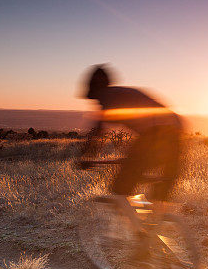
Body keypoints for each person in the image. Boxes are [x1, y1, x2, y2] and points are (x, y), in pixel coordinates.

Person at [78, 65, 183, 205]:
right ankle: (153, 219)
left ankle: (143, 220)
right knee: (158, 193)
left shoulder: (107, 96)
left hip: (158, 133)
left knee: (122, 186)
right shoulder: (119, 93)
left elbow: (98, 132)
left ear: (96, 88)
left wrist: (86, 157)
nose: (96, 102)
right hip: (173, 131)